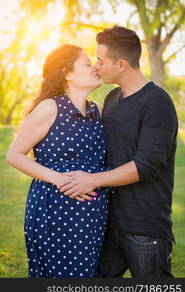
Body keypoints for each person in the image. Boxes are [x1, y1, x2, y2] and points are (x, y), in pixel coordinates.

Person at [59, 26, 178, 278]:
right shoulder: (113, 98)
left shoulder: (157, 102)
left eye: (101, 60)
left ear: (121, 64)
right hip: (108, 222)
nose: (96, 66)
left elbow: (145, 165)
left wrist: (91, 180)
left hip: (144, 227)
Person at [6, 44, 109, 278]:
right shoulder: (50, 108)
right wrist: (61, 180)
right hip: (54, 210)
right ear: (67, 73)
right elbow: (14, 155)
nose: (95, 67)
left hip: (93, 215)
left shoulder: (99, 111)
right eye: (86, 63)